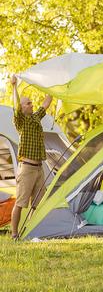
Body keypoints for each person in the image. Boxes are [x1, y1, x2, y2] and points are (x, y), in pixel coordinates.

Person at [10, 74, 53, 239]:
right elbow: (15, 104)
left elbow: (46, 102)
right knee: (20, 203)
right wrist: (14, 86)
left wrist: (50, 87)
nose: (31, 104)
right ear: (22, 107)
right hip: (27, 168)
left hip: (39, 169)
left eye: (31, 102)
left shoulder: (36, 118)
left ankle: (31, 231)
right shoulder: (20, 121)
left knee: (38, 203)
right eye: (28, 103)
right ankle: (14, 235)